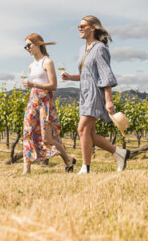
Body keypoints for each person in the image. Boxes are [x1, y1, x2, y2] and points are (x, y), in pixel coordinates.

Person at [60, 16, 129, 174]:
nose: (80, 29)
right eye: (78, 27)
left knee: (82, 129)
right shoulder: (82, 50)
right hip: (84, 94)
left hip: (95, 93)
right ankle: (120, 153)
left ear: (93, 28)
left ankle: (86, 168)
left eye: (83, 26)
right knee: (89, 133)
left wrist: (108, 100)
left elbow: (105, 75)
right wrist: (70, 77)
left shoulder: (100, 49)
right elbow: (86, 74)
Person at [20, 33, 76, 174]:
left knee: (47, 138)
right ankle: (26, 170)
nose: (27, 48)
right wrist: (32, 87)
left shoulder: (47, 62)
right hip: (33, 100)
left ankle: (67, 159)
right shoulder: (31, 66)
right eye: (25, 46)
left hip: (45, 101)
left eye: (29, 45)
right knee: (27, 132)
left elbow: (53, 85)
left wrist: (33, 83)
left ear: (38, 44)